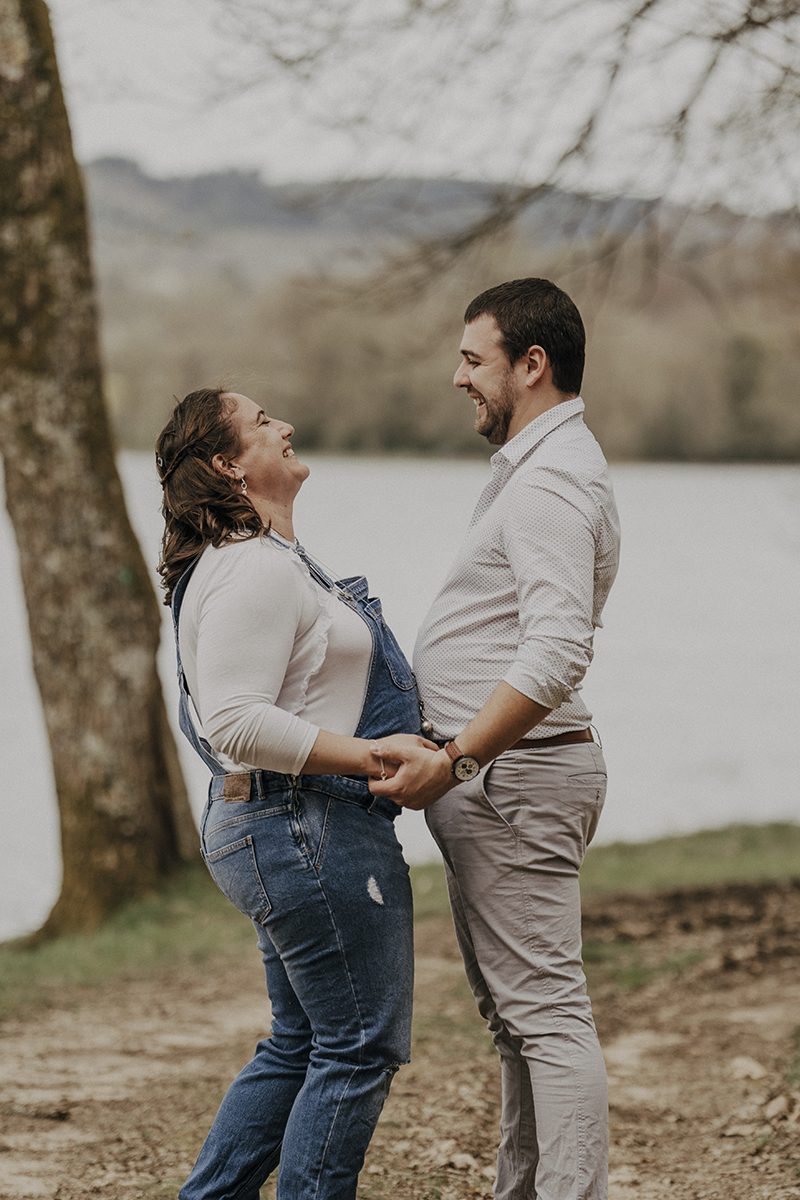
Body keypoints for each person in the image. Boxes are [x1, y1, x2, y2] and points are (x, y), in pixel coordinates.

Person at [370, 279, 621, 1200]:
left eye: (473, 360)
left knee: (546, 1015)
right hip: (508, 781)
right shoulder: (542, 467)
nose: (457, 377)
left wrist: (460, 757)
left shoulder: (552, 480)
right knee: (517, 1020)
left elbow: (557, 648)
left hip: (516, 781)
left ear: (532, 365)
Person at [155, 387, 428, 1200]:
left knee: (301, 1040)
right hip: (304, 826)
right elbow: (235, 720)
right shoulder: (251, 567)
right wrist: (371, 754)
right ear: (229, 465)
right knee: (356, 1047)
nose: (288, 426)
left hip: (279, 824)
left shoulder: (261, 563)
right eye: (264, 420)